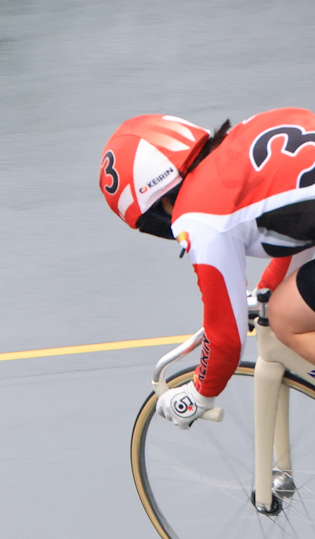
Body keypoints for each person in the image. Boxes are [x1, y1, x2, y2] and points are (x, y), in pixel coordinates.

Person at [99, 110, 315, 424]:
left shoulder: (199, 214)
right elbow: (299, 225)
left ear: (157, 209)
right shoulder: (245, 133)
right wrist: (266, 290)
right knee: (286, 301)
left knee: (286, 317)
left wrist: (198, 394)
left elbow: (226, 336)